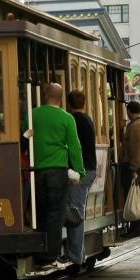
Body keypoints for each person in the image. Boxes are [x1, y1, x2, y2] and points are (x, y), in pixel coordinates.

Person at [30, 83, 85, 264]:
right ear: (61, 99)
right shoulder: (67, 118)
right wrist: (79, 171)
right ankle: (50, 256)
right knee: (55, 214)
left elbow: (25, 139)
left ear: (45, 95)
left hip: (35, 172)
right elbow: (74, 147)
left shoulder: (32, 115)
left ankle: (37, 251)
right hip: (57, 171)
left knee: (38, 213)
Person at [65, 90, 97, 267]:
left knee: (75, 214)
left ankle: (76, 258)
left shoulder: (73, 120)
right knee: (76, 211)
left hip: (80, 172)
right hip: (89, 169)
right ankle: (78, 255)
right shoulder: (88, 119)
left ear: (69, 105)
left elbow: (74, 147)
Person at [120, 100, 140, 238]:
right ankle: (136, 227)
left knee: (132, 197)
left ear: (130, 111)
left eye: (127, 110)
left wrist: (133, 168)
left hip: (134, 166)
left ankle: (136, 228)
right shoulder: (137, 124)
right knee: (135, 196)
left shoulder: (136, 126)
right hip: (137, 165)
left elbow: (136, 149)